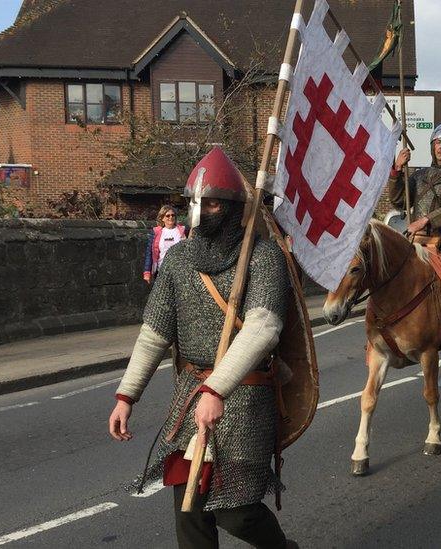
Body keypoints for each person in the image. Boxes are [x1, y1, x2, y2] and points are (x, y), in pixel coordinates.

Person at [108, 147, 296, 547]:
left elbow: (263, 328)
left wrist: (217, 388)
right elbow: (154, 334)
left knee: (238, 512)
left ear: (231, 208)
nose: (201, 210)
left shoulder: (263, 256)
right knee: (188, 509)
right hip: (191, 393)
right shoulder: (178, 261)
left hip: (244, 395)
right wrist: (127, 395)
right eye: (196, 201)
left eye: (211, 202)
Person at [388, 122, 441, 256]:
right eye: (438, 142)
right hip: (417, 239)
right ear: (433, 146)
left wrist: (425, 220)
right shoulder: (419, 175)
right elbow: (399, 201)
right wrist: (397, 170)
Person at [143, 205, 187, 284]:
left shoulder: (182, 231)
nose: (171, 217)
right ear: (162, 218)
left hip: (179, 271)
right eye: (167, 215)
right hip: (161, 271)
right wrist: (147, 272)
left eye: (173, 215)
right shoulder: (156, 232)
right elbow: (149, 252)